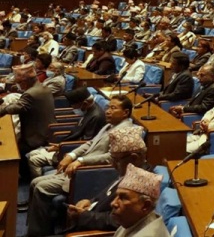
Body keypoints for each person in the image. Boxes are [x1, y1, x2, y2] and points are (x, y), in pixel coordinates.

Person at [26, 96, 134, 236]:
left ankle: (38, 233)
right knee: (35, 182)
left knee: (40, 187)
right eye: (108, 107)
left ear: (125, 112)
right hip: (79, 165)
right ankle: (38, 228)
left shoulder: (124, 131)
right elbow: (90, 143)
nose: (108, 111)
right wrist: (71, 155)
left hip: (87, 172)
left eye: (113, 108)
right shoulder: (110, 125)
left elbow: (110, 157)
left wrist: (81, 161)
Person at [64, 125, 149, 233]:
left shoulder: (140, 183)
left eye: (116, 160)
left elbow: (118, 221)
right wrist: (90, 202)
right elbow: (107, 195)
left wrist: (84, 216)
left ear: (134, 158)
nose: (113, 165)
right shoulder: (129, 173)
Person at [25, 87, 105, 179]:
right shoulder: (89, 110)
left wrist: (61, 147)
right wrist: (60, 145)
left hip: (71, 150)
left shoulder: (96, 117)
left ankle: (39, 180)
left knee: (34, 159)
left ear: (84, 104)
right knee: (32, 153)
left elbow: (87, 143)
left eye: (73, 105)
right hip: (67, 146)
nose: (72, 108)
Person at [0, 63, 56, 157]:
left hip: (36, 138)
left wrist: (2, 111)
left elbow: (16, 107)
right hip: (48, 133)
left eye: (18, 82)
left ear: (25, 82)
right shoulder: (43, 88)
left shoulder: (31, 94)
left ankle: (19, 170)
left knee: (10, 149)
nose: (17, 84)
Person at [110, 164, 167, 237]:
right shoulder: (132, 221)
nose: (113, 203)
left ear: (145, 205)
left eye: (123, 198)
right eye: (116, 196)